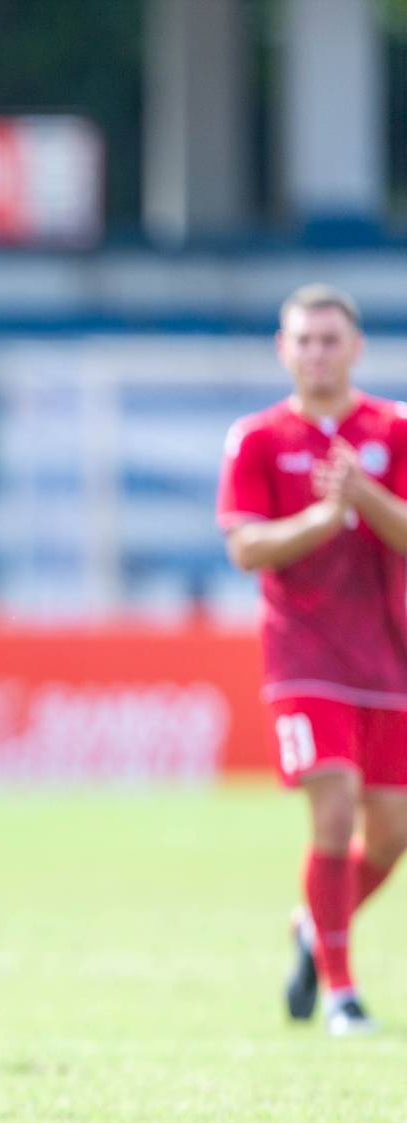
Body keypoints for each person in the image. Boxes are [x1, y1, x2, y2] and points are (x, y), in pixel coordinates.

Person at [218, 284, 407, 1037]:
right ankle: (342, 993)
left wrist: (364, 497)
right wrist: (324, 517)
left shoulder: (395, 429)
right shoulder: (258, 439)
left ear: (356, 348)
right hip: (302, 658)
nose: (318, 352)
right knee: (333, 812)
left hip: (388, 659)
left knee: (390, 835)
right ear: (283, 349)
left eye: (331, 339)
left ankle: (311, 926)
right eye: (305, 339)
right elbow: (245, 546)